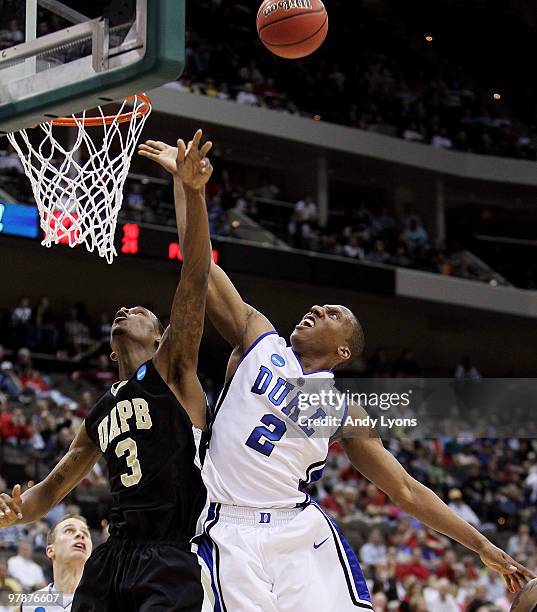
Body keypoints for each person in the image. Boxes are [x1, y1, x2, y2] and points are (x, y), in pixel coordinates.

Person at [140, 139, 535, 611]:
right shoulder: (259, 340)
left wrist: (483, 548)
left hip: (298, 528)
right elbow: (199, 268)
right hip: (227, 528)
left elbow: (406, 490)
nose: (316, 309)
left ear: (343, 349)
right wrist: (191, 191)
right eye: (319, 307)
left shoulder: (345, 409)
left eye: (331, 313)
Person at [0, 130, 214, 612]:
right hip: (113, 555)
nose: (124, 309)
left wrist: (193, 194)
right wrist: (20, 512)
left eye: (140, 310)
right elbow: (54, 487)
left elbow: (196, 278)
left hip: (169, 554)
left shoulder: (175, 371)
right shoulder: (101, 411)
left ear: (160, 337)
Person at [22, 514, 92, 611]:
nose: (80, 535)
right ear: (50, 550)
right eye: (69, 530)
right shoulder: (29, 604)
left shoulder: (107, 602)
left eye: (85, 533)